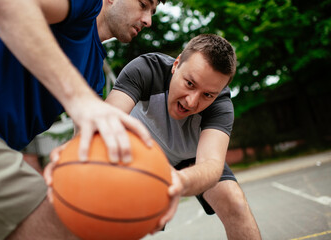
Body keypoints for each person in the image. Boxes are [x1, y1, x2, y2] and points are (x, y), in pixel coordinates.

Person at [0, 0, 166, 239]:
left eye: (152, 12)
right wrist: (78, 98)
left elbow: (84, 156)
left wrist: (142, 198)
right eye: (143, 4)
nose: (148, 20)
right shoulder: (85, 4)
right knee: (60, 226)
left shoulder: (93, 74)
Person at [105, 34, 262, 239]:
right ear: (176, 64)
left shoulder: (221, 106)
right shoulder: (146, 69)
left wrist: (177, 181)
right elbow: (106, 121)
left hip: (190, 158)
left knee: (234, 201)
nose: (191, 102)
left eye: (208, 95)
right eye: (190, 83)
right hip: (140, 151)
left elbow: (212, 165)